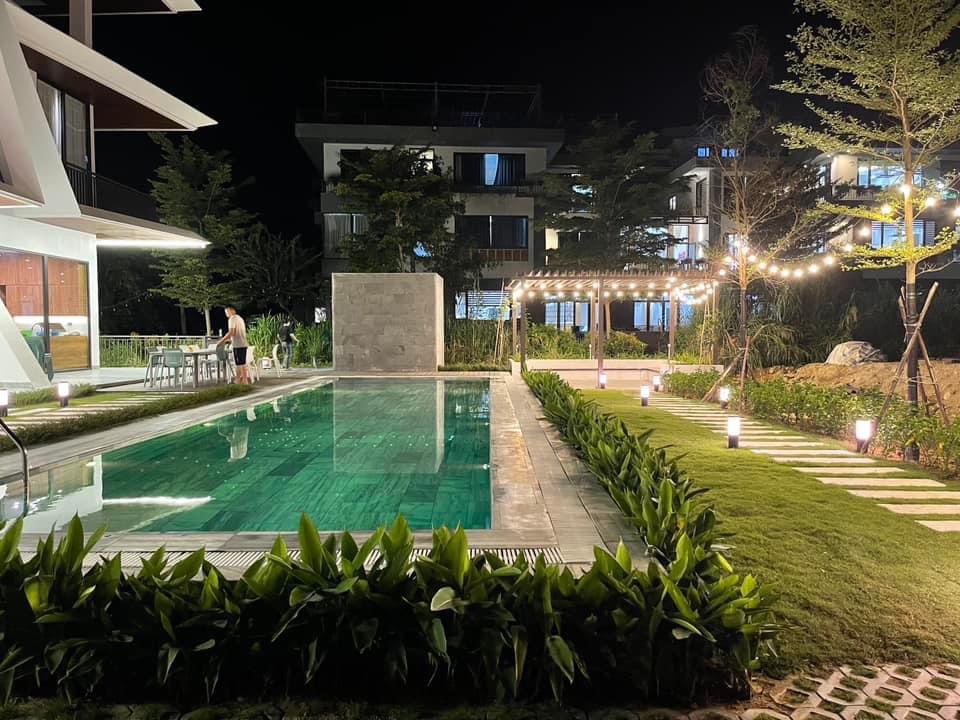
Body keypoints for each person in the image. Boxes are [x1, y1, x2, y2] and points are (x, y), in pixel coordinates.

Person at [216, 306, 250, 384]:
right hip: (243, 343)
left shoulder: (232, 319)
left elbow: (231, 332)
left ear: (233, 311)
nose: (226, 314)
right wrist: (229, 340)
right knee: (242, 363)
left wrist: (221, 341)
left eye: (228, 311)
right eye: (226, 312)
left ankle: (239, 380)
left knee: (238, 364)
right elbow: (237, 333)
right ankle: (243, 381)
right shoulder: (240, 318)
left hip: (238, 344)